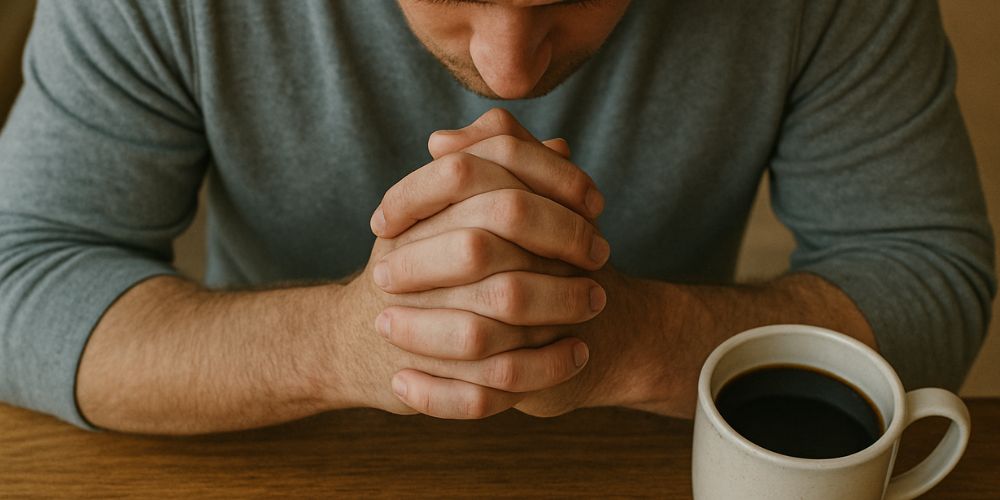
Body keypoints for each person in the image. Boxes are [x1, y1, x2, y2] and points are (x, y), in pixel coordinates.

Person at [0, 0, 993, 435]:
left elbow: (923, 271)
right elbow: (19, 273)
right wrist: (344, 346)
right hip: (272, 439)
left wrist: (642, 341)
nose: (509, 74)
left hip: (656, 446)